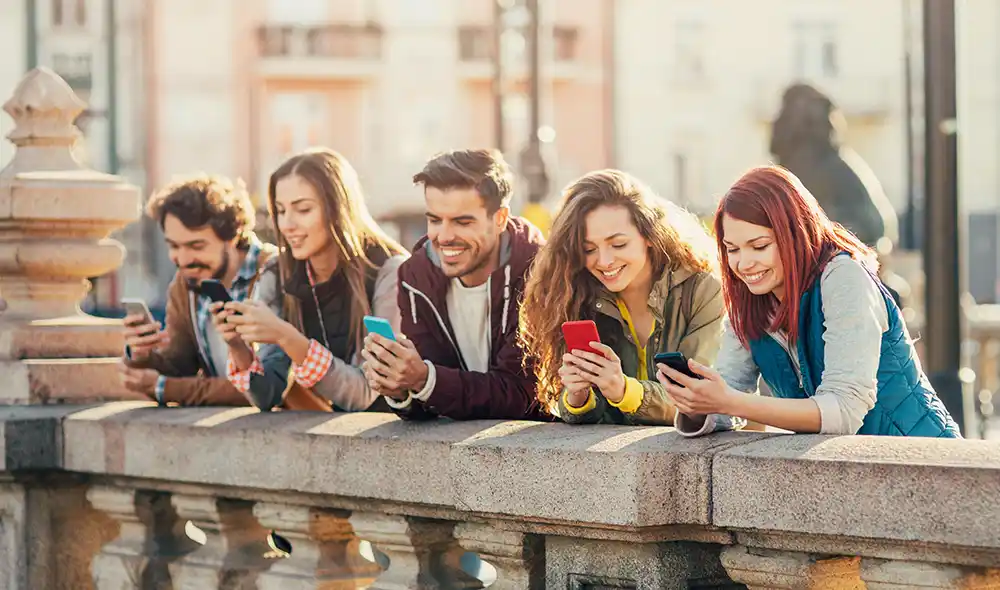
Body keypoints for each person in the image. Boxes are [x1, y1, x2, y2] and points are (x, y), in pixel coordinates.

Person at [657, 165, 961, 438]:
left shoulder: (844, 277)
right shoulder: (749, 298)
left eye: (759, 246)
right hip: (847, 475)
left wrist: (730, 401)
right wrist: (698, 403)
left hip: (922, 464)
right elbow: (729, 398)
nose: (744, 263)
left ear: (795, 234)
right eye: (732, 249)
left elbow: (843, 411)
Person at [519, 169, 724, 425]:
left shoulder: (702, 291)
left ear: (650, 235)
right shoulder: (575, 294)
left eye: (618, 245)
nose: (604, 261)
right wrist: (577, 398)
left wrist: (624, 391)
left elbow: (698, 400)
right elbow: (586, 415)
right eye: (589, 249)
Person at [360, 148, 549, 420]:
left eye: (462, 222)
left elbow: (522, 395)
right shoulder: (415, 276)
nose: (444, 237)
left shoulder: (539, 273)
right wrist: (399, 387)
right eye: (435, 220)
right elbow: (432, 399)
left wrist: (425, 379)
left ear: (500, 219)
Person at [214, 148, 407, 412]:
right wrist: (237, 347)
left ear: (338, 209)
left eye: (303, 209)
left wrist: (286, 336)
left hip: (396, 437)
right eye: (280, 211)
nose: (287, 224)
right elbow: (267, 396)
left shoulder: (388, 270)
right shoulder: (278, 272)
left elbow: (364, 392)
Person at [119, 174, 275, 406]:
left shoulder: (276, 272)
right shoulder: (186, 285)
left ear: (231, 236)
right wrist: (142, 355)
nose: (183, 260)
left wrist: (167, 389)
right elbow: (180, 367)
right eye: (173, 245)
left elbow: (264, 386)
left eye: (196, 246)